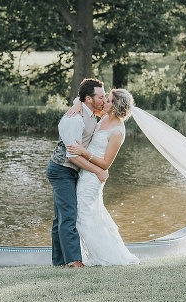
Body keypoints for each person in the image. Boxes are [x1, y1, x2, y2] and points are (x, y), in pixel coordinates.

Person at [66, 89, 140, 267]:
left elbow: (106, 163)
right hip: (84, 172)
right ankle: (96, 254)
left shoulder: (117, 132)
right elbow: (85, 103)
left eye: (108, 100)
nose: (104, 102)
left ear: (114, 106)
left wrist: (83, 152)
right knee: (92, 215)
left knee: (83, 215)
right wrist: (77, 103)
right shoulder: (105, 116)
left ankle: (103, 256)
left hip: (93, 178)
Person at [46, 78, 108, 268]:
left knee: (61, 217)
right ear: (89, 99)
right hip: (61, 170)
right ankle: (73, 261)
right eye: (101, 97)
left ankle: (59, 261)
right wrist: (98, 170)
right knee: (68, 215)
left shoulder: (89, 110)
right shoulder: (75, 120)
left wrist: (77, 101)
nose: (104, 100)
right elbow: (72, 156)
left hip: (70, 171)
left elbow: (111, 109)